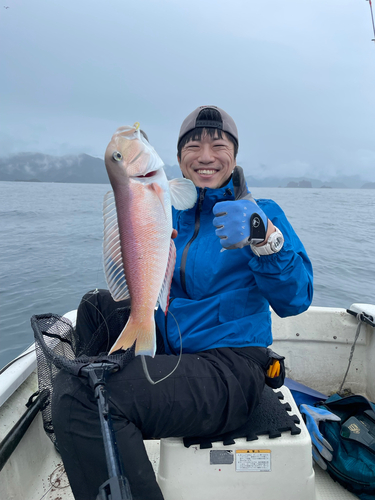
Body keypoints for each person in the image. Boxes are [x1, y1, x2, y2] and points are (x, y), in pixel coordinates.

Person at [51, 105, 313, 500]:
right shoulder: (169, 205)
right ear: (177, 157)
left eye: (218, 144)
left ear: (234, 155)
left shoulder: (262, 213)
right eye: (193, 145)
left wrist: (265, 239)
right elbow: (134, 253)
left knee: (80, 396)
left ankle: (93, 414)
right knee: (95, 306)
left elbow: (297, 299)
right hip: (175, 340)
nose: (205, 156)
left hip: (232, 364)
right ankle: (99, 435)